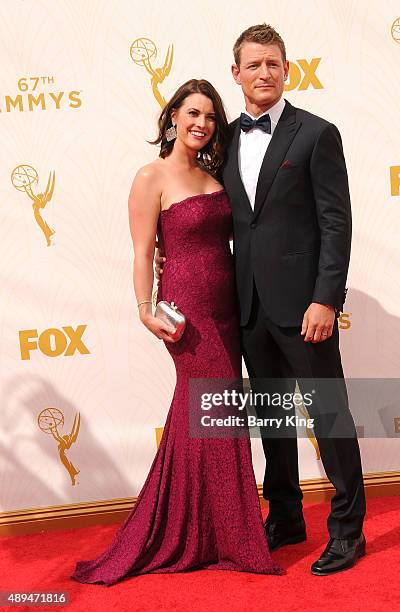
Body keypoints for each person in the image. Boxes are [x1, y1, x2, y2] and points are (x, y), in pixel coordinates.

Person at [156, 24, 366, 576]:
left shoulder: (317, 134)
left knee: (329, 416)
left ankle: (348, 530)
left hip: (305, 309)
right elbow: (196, 210)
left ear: (287, 69)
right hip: (245, 306)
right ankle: (287, 515)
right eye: (253, 66)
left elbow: (335, 224)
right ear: (236, 74)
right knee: (273, 420)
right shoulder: (221, 140)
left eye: (273, 64)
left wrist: (326, 298)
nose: (263, 74)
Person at [70, 78, 283, 586]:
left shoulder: (217, 173)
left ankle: (206, 527)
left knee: (208, 411)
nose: (201, 124)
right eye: (192, 113)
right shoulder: (151, 177)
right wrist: (145, 309)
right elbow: (144, 252)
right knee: (214, 407)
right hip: (186, 311)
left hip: (228, 307)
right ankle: (222, 532)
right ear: (171, 117)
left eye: (210, 117)